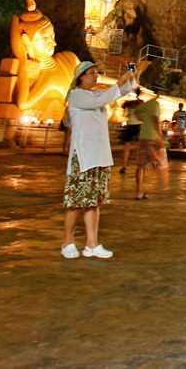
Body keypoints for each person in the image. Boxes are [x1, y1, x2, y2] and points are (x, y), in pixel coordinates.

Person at [61, 61, 138, 259]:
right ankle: (68, 241)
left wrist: (132, 75)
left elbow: (124, 91)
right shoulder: (77, 95)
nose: (96, 76)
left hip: (99, 154)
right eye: (92, 73)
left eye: (96, 73)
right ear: (81, 77)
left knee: (94, 202)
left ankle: (92, 244)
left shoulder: (94, 94)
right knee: (76, 202)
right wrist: (120, 79)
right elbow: (104, 98)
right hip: (83, 155)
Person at [132, 93, 165, 200]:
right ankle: (155, 160)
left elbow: (136, 112)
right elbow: (155, 120)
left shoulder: (146, 104)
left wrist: (144, 120)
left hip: (143, 136)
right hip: (152, 137)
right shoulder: (155, 104)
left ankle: (139, 192)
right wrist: (160, 136)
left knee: (140, 166)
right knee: (157, 162)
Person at [117, 99, 140, 173]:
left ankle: (124, 166)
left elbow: (125, 115)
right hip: (138, 126)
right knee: (138, 147)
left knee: (127, 147)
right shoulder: (140, 104)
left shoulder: (129, 105)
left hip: (130, 126)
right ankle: (139, 165)